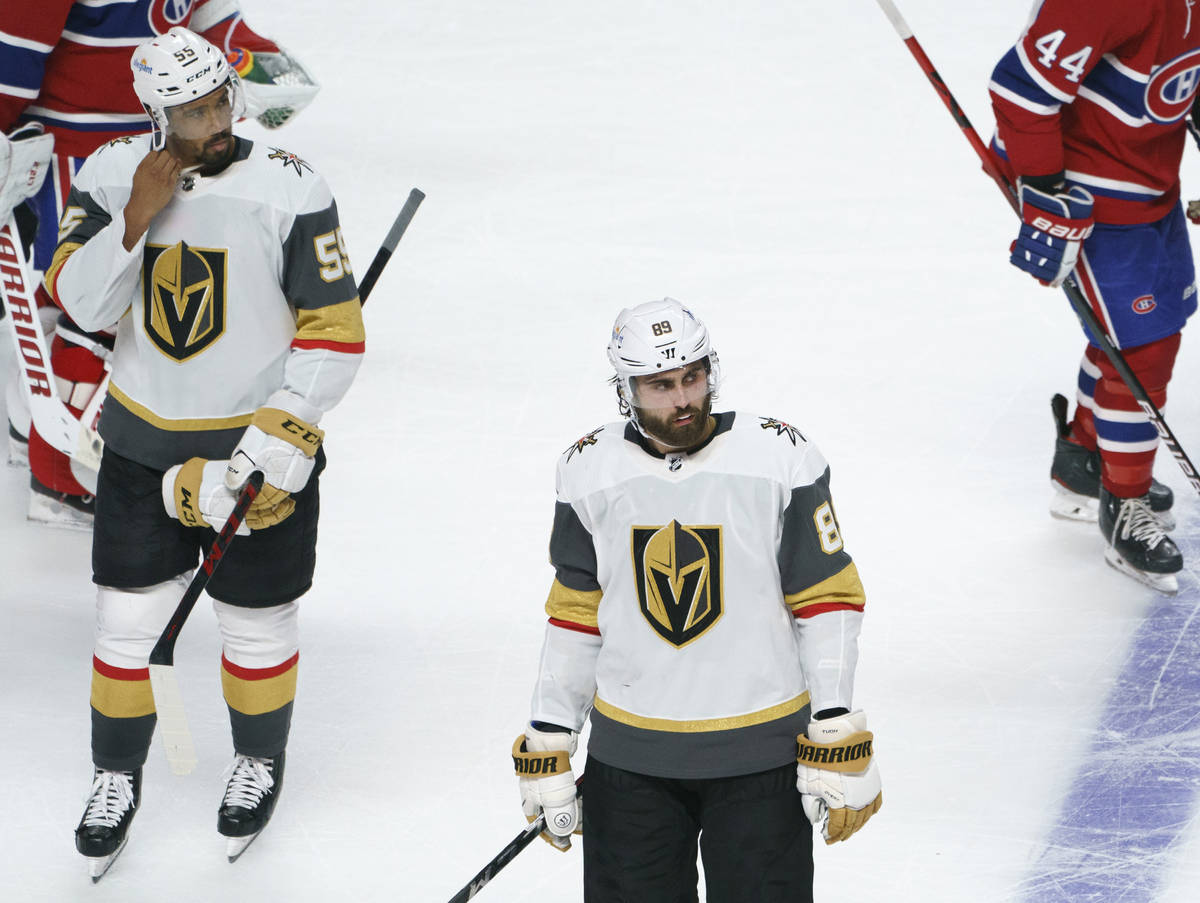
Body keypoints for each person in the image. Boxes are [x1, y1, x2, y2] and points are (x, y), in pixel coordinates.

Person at [45, 27, 362, 879]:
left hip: (252, 448)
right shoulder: (112, 174)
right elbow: (75, 302)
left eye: (220, 99)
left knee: (257, 621)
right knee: (124, 621)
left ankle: (258, 757)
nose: (214, 120)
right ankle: (115, 776)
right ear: (155, 115)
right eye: (190, 111)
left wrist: (282, 437)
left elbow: (334, 334)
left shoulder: (292, 188)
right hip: (143, 445)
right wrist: (138, 217)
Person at [511, 299, 882, 902]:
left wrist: (835, 723)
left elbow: (827, 600)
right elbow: (577, 614)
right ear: (625, 389)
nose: (682, 398)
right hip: (630, 766)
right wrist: (551, 734)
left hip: (761, 761)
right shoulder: (586, 470)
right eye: (660, 385)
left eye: (692, 377)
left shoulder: (781, 458)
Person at [0, 0, 318, 529]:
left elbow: (190, 17)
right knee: (92, 307)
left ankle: (26, 425)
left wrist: (248, 58)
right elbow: (12, 50)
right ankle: (60, 478)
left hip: (167, 145)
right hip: (74, 150)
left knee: (148, 301)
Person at [989, 0, 1199, 593]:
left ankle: (1085, 465)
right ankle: (1123, 504)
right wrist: (1045, 192)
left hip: (1151, 178)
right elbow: (1021, 88)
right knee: (1146, 350)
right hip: (1088, 190)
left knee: (1138, 331)